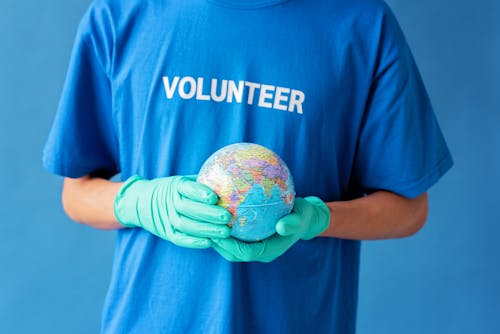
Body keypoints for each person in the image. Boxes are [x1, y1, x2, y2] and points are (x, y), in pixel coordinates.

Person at [43, 0, 453, 332]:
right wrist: (143, 202)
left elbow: (409, 209)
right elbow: (76, 193)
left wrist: (318, 218)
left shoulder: (362, 24)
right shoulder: (120, 15)